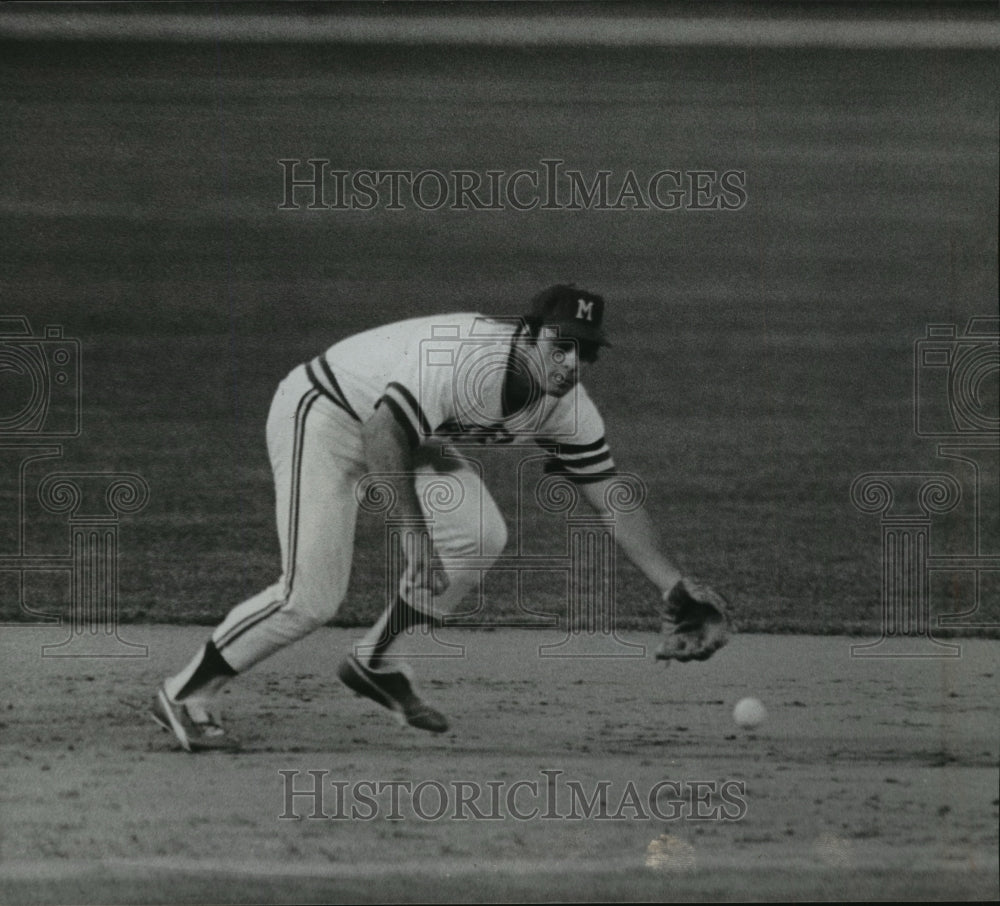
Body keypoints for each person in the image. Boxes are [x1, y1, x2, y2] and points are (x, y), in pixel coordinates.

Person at [151, 284, 728, 751]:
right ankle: (186, 693)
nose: (572, 362)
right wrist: (412, 533)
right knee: (312, 596)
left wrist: (673, 587)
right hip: (324, 415)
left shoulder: (567, 408)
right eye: (561, 345)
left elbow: (610, 494)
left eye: (587, 351)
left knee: (480, 536)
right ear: (526, 334)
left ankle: (375, 660)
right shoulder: (465, 356)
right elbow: (382, 431)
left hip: (408, 439)